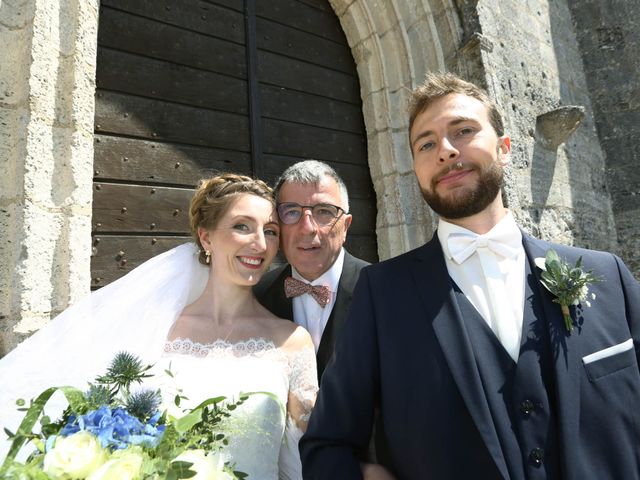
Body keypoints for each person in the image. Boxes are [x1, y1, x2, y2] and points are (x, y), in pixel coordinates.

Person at [300, 73, 640, 479]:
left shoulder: (607, 275)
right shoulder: (381, 293)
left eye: (462, 131)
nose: (444, 150)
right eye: (426, 143)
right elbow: (326, 447)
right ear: (416, 170)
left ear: (505, 149)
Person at [0, 173, 318, 479]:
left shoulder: (291, 341)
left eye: (271, 231)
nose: (260, 244)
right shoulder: (157, 328)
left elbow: (310, 455)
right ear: (206, 237)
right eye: (242, 227)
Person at [254, 160, 369, 380]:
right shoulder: (257, 295)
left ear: (345, 226)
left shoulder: (386, 292)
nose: (307, 228)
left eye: (324, 212)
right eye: (291, 211)